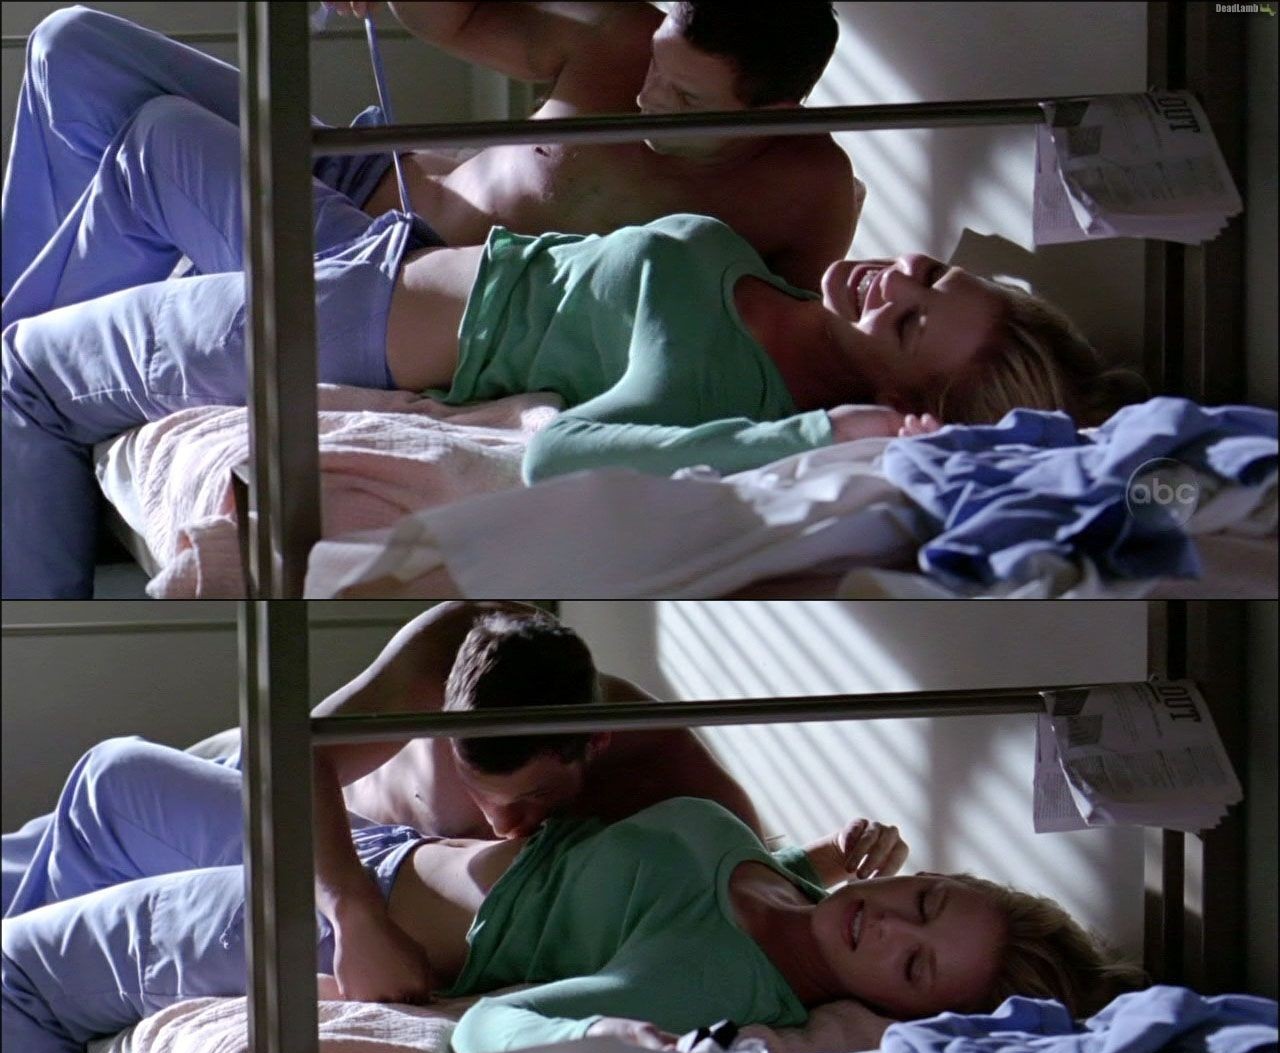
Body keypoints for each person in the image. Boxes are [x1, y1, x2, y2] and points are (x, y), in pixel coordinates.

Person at [1, 108, 1146, 596]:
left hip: (356, 324)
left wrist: (823, 435)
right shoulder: (804, 279)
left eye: (906, 323)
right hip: (391, 259)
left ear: (903, 396)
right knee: (130, 129)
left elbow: (558, 459)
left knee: (23, 378)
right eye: (929, 275)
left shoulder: (739, 401)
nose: (892, 281)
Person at [2, 781, 1142, 1053]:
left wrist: (599, 1036)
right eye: (925, 900)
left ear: (897, 1015)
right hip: (388, 846)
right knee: (112, 789)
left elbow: (495, 1024)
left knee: (19, 976)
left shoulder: (705, 982)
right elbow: (697, 877)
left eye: (908, 962)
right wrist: (816, 866)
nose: (886, 922)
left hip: (345, 913)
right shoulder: (792, 882)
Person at [2, 603, 763, 1005]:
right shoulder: (450, 650)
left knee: (62, 848)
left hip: (351, 846)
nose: (504, 823)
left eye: (534, 798)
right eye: (480, 791)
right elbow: (293, 755)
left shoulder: (655, 756)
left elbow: (754, 870)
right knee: (92, 806)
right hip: (277, 795)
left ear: (594, 743)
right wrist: (354, 913)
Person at [2, 1, 858, 304]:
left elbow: (781, 342)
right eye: (658, 67)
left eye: (685, 98)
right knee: (69, 44)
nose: (646, 94)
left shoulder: (807, 188)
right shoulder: (624, 34)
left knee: (165, 138)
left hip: (385, 267)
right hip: (364, 166)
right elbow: (459, 16)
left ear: (776, 111)